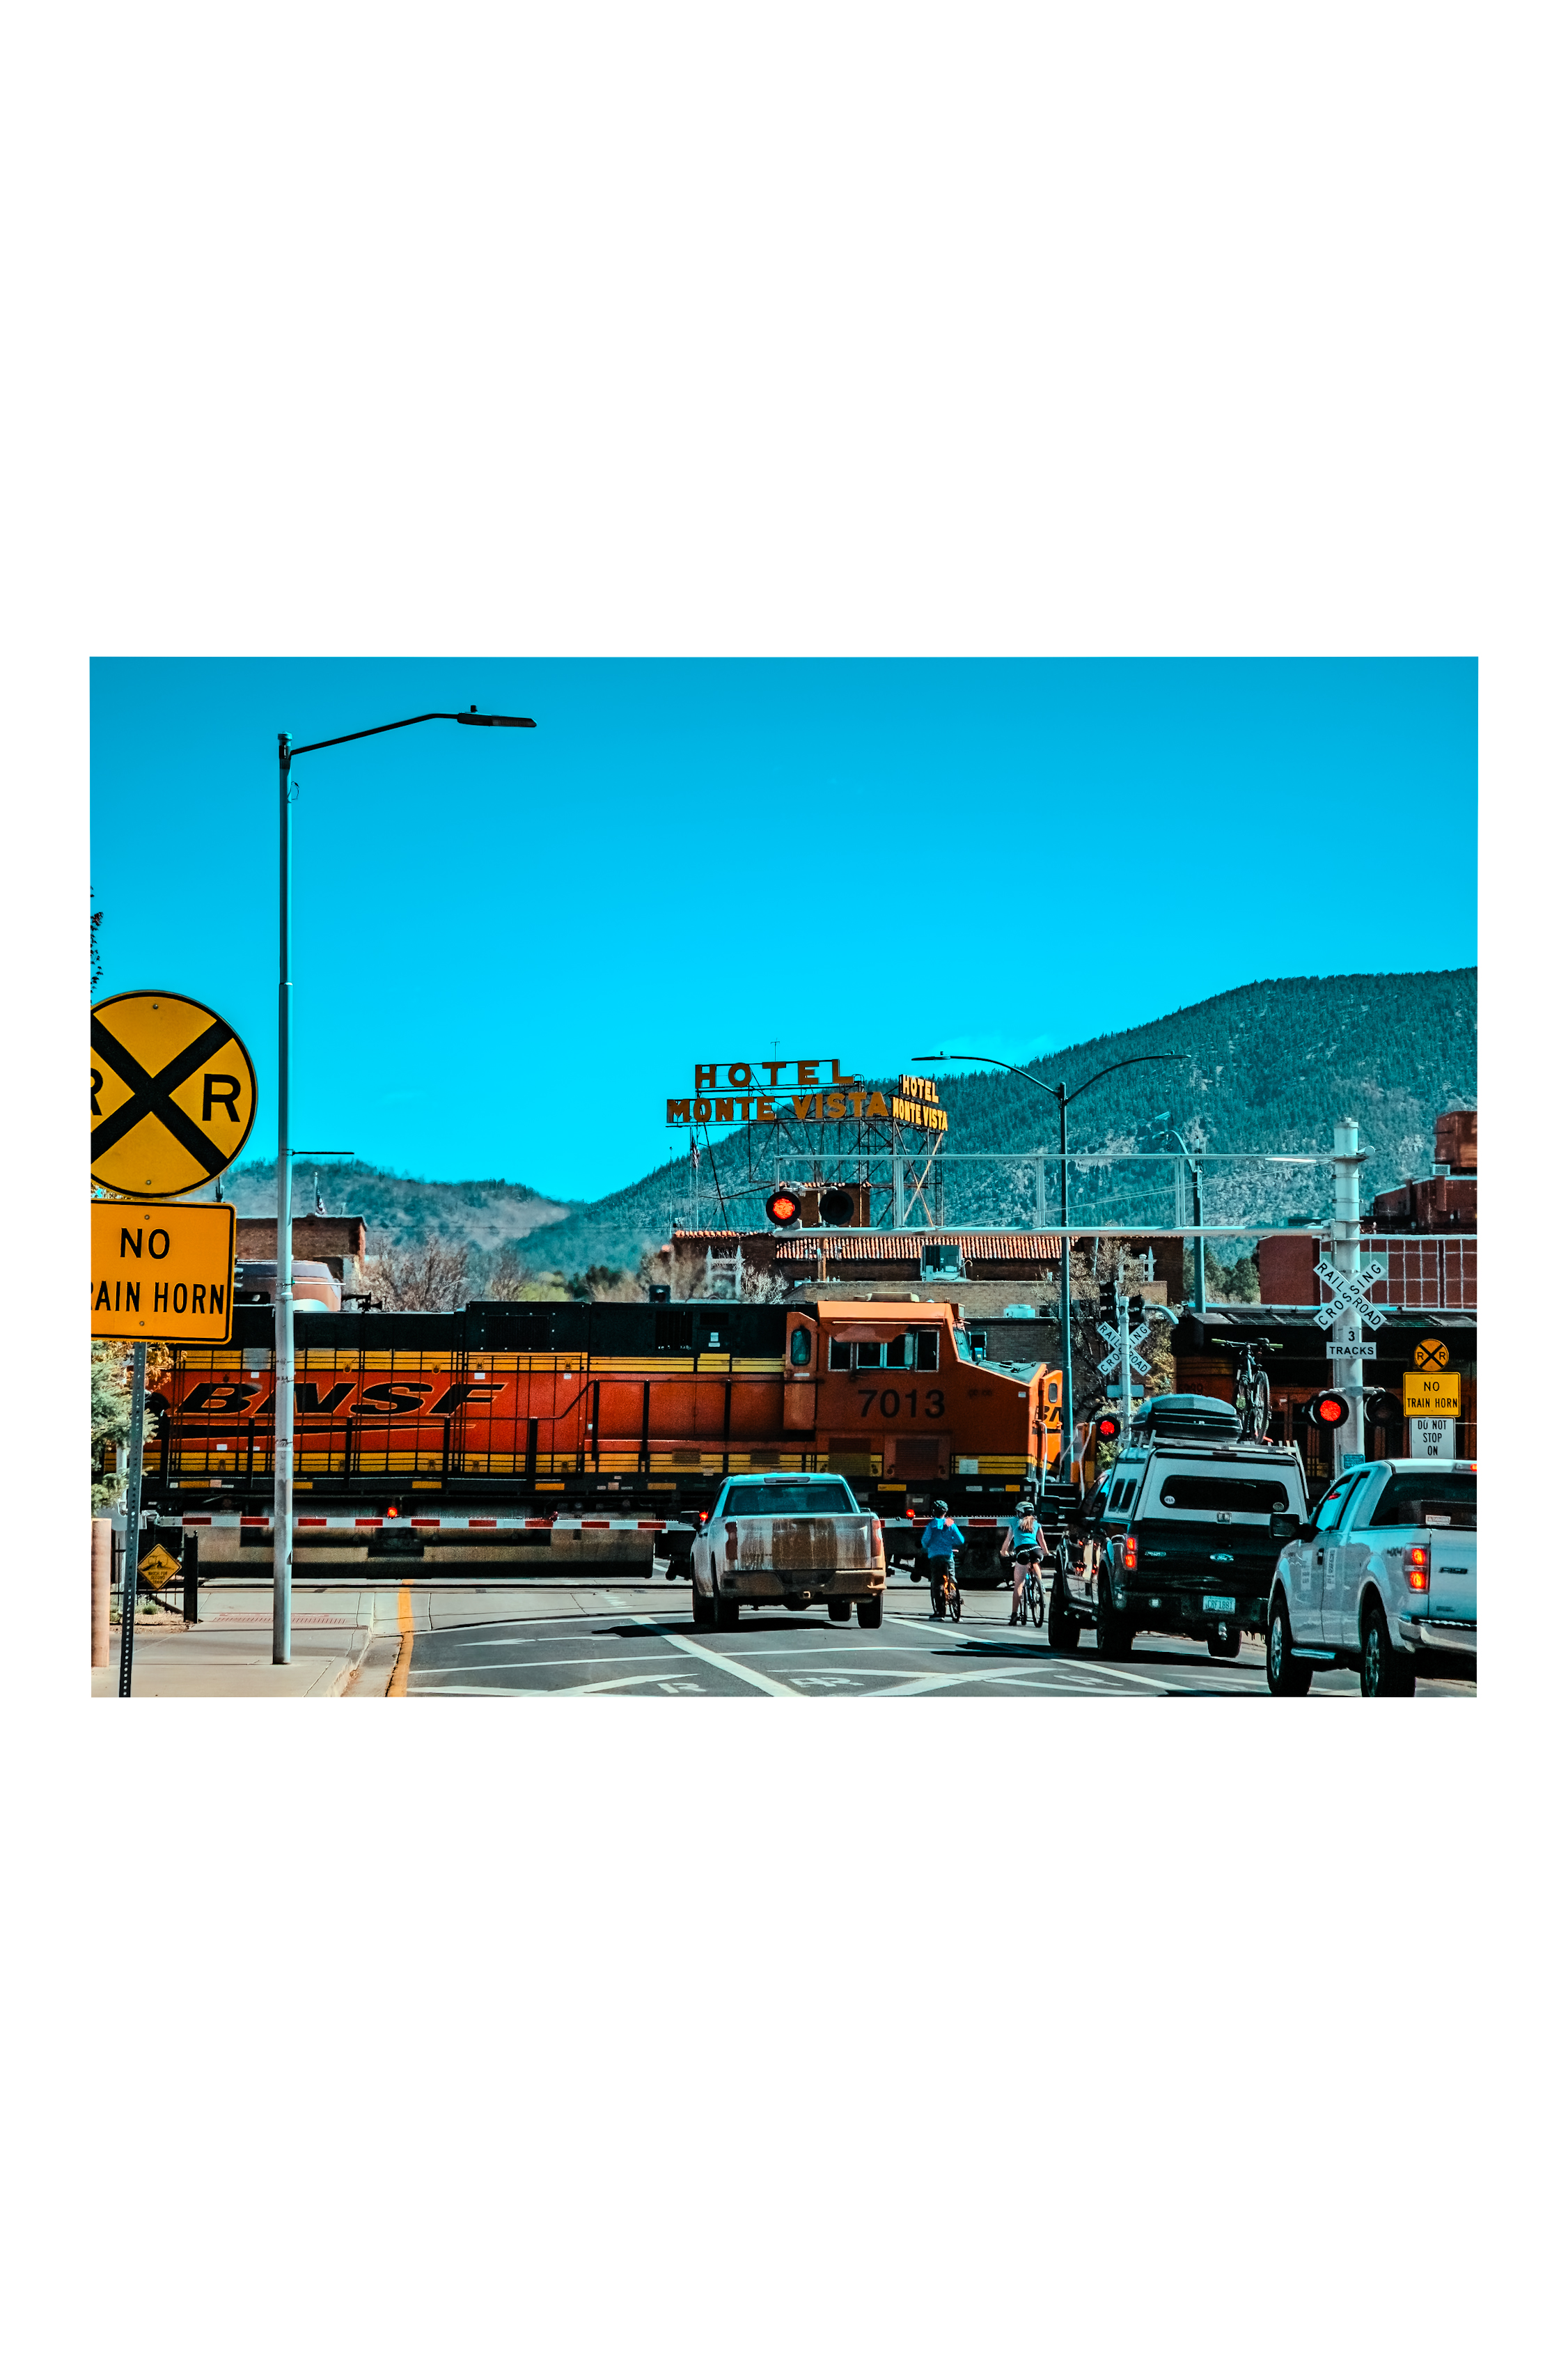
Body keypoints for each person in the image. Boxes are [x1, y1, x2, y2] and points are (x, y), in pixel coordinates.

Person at [1001, 1497, 1044, 1626]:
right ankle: (1039, 1586)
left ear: (1019, 1513)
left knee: (1019, 1585)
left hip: (1022, 1552)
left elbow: (1008, 1541)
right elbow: (1043, 1544)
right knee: (1035, 1562)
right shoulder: (1036, 1524)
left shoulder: (1015, 1522)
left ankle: (1014, 1616)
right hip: (1036, 1551)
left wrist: (1004, 1552)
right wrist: (1046, 1553)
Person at [920, 1501, 965, 1614]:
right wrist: (950, 1543)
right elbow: (961, 1540)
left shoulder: (931, 1525)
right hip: (948, 1555)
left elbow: (925, 1541)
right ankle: (954, 1595)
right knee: (952, 1576)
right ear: (946, 1512)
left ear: (934, 1511)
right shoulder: (951, 1524)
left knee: (937, 1581)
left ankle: (940, 1611)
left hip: (935, 1556)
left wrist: (929, 1546)